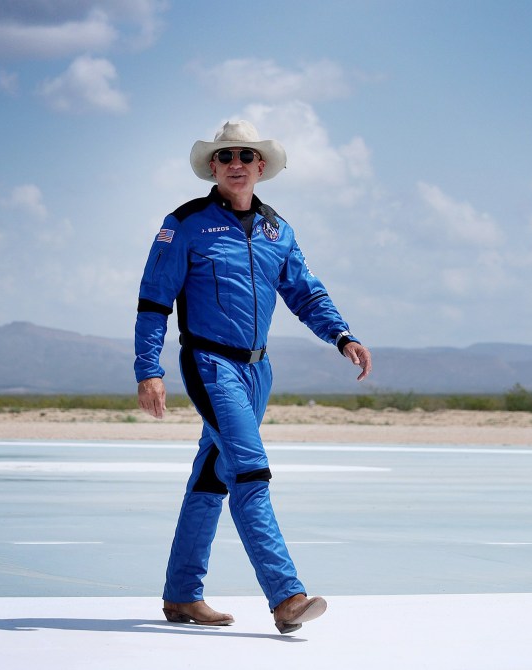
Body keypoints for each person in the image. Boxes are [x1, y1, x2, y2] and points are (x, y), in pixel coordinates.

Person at [134, 119, 372, 634]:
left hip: (257, 371)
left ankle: (181, 596)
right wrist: (147, 368)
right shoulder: (185, 224)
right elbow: (154, 301)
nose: (236, 164)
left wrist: (342, 335)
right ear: (213, 168)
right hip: (209, 364)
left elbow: (305, 292)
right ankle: (286, 595)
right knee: (249, 470)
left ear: (261, 167)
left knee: (209, 479)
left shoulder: (276, 230)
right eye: (226, 157)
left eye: (245, 156)